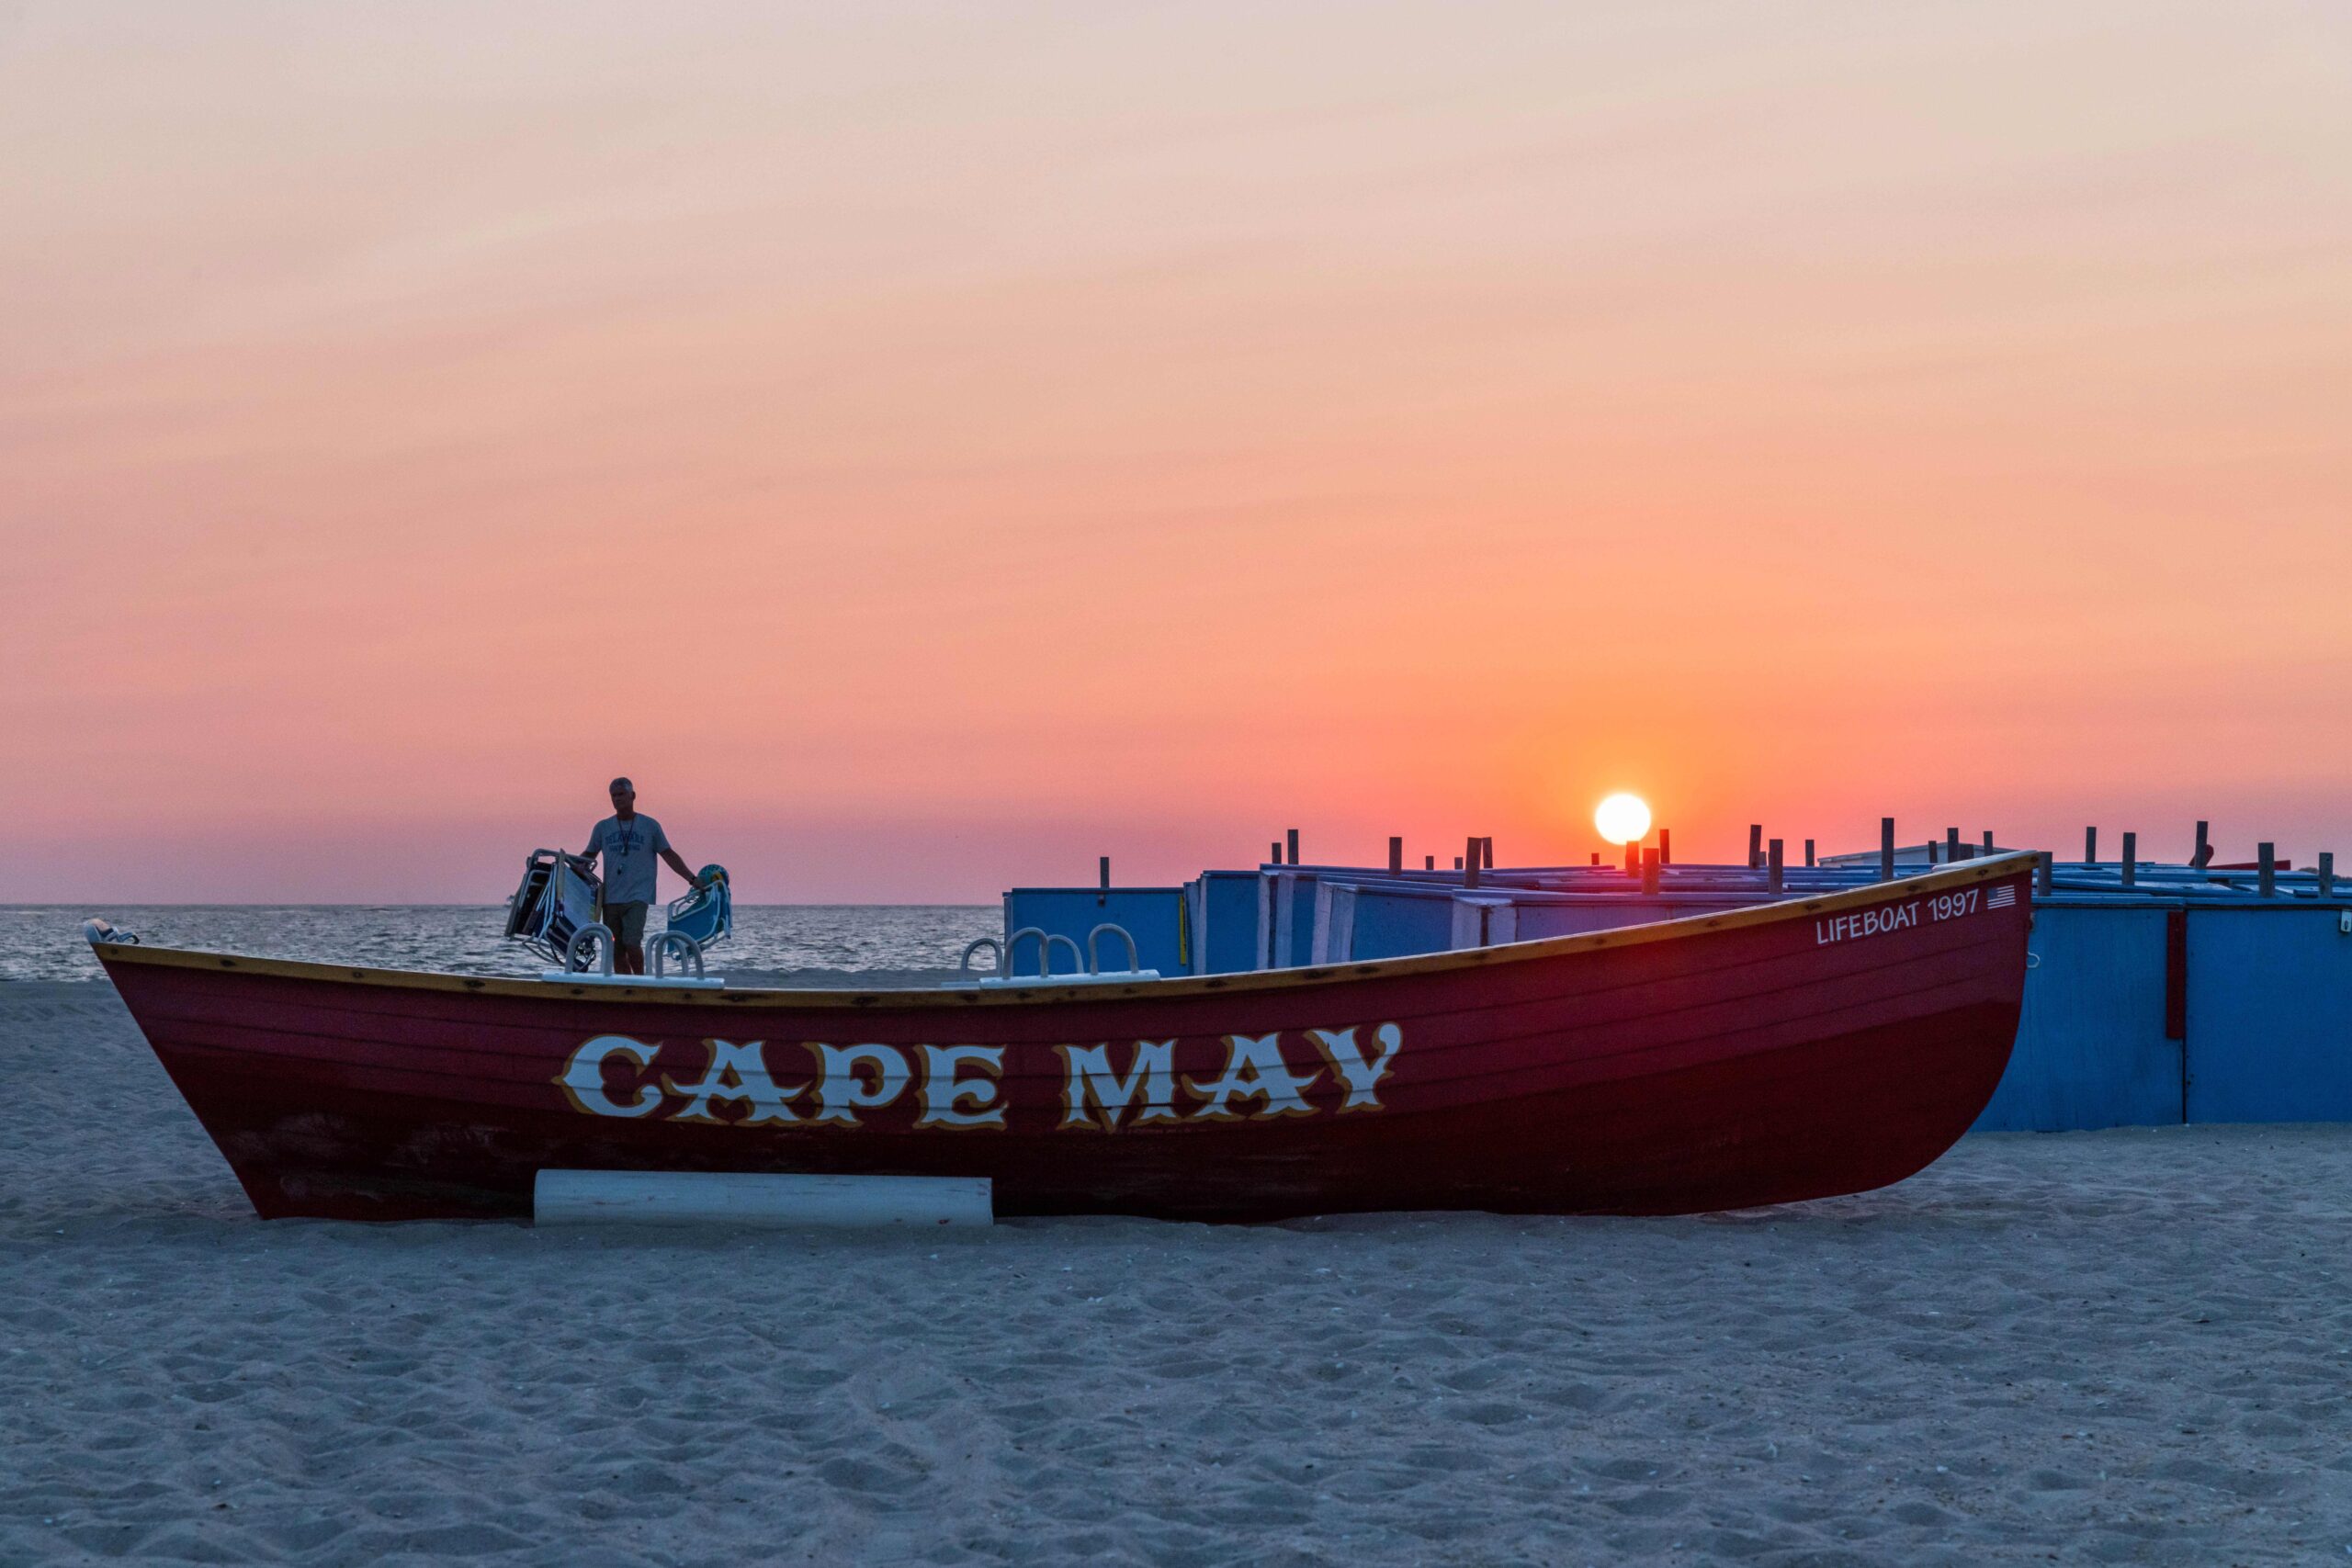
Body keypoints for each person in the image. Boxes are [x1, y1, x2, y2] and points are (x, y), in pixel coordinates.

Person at [572, 778, 704, 975]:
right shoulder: (603, 827)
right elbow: (589, 855)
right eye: (613, 796)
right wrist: (568, 868)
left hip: (638, 895)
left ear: (632, 796)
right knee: (616, 949)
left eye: (621, 795)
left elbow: (668, 854)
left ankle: (641, 979)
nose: (617, 799)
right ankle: (625, 986)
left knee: (632, 941)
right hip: (611, 897)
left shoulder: (650, 826)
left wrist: (692, 879)